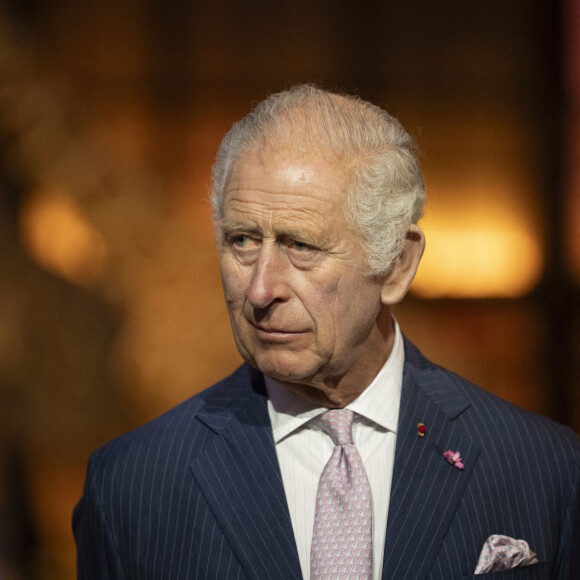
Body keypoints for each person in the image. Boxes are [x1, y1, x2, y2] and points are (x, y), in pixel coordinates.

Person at [73, 85, 580, 579]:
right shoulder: (132, 487)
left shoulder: (543, 469)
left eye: (301, 245)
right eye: (243, 240)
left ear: (398, 265)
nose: (260, 289)